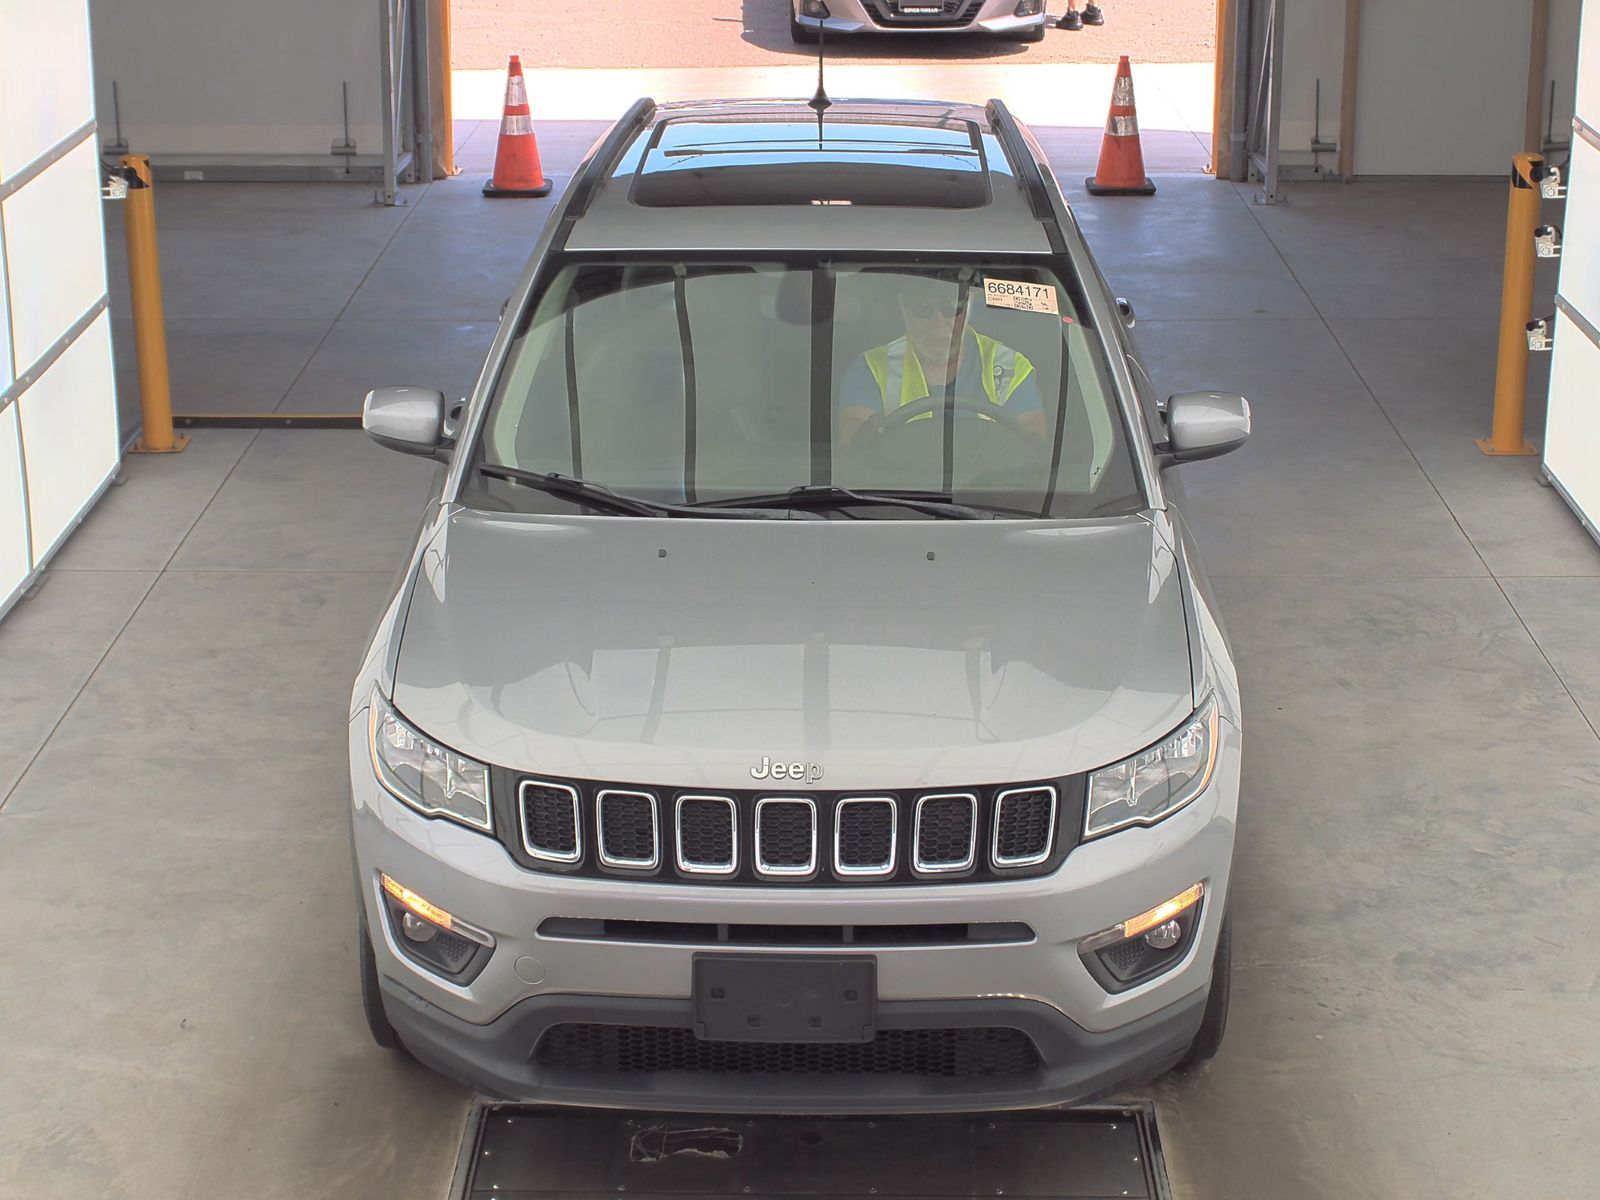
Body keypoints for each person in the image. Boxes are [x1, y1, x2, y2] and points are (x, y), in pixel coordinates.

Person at [836, 285, 1047, 447]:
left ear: (968, 308)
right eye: (923, 309)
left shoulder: (1010, 366)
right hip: (896, 494)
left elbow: (1032, 436)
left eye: (951, 308)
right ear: (904, 311)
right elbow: (855, 440)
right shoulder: (871, 368)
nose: (938, 322)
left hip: (991, 497)